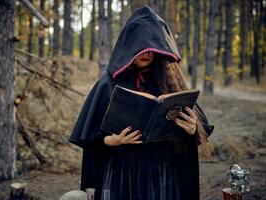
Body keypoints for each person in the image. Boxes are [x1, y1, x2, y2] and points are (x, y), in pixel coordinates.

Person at [69, 6, 214, 200]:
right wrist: (111, 141)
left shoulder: (170, 81)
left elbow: (197, 132)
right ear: (129, 47)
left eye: (149, 49)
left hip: (162, 174)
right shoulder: (108, 83)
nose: (144, 53)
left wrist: (191, 129)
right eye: (139, 48)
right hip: (121, 174)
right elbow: (89, 137)